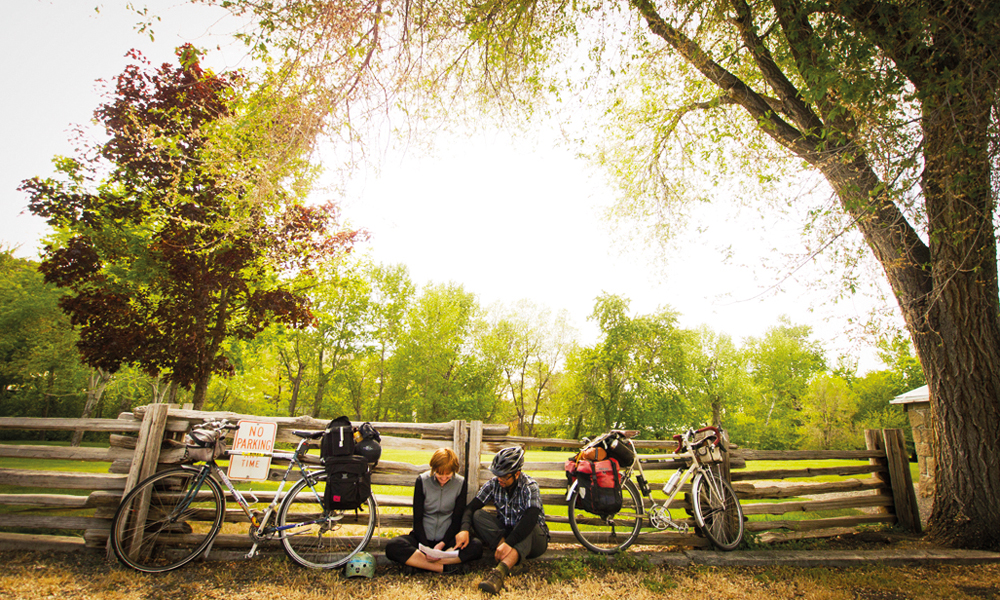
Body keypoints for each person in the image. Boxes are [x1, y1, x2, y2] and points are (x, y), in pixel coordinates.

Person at [455, 446, 549, 595]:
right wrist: (464, 529)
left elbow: (531, 517)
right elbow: (471, 508)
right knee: (478, 515)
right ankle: (513, 562)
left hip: (534, 539)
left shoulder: (530, 486)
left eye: (504, 476)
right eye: (498, 475)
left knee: (529, 524)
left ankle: (498, 573)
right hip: (507, 535)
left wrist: (508, 543)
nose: (500, 479)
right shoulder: (494, 484)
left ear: (516, 474)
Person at [385, 447, 483, 574]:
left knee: (476, 546)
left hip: (447, 542)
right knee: (392, 546)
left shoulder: (460, 483)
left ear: (454, 471)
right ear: (433, 469)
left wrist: (442, 545)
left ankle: (419, 564)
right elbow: (418, 519)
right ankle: (446, 568)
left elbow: (456, 519)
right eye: (439, 474)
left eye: (447, 475)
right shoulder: (422, 481)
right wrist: (426, 548)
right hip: (422, 539)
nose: (443, 479)